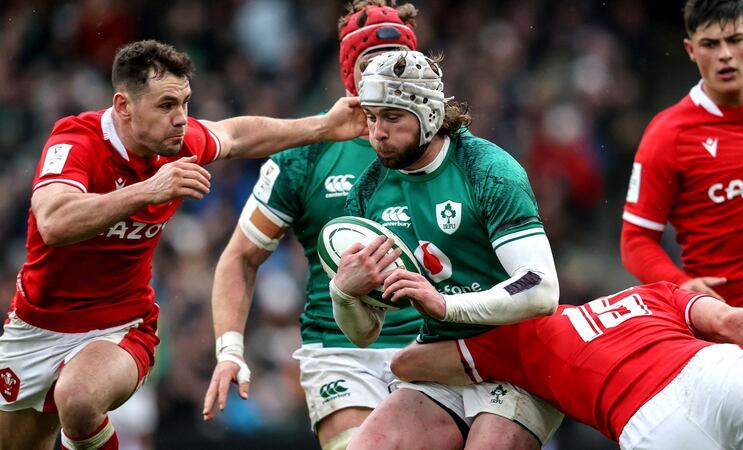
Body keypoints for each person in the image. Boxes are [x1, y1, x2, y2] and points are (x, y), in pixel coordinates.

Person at [0, 39, 366, 450]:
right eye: (166, 105)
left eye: (185, 103)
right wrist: (146, 191)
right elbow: (53, 221)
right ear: (123, 106)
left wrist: (324, 127)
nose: (181, 119)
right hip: (36, 325)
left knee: (79, 398)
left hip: (121, 327)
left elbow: (237, 135)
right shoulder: (77, 142)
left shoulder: (178, 143)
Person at [200, 2, 421, 450]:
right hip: (339, 354)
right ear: (349, 74)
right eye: (370, 63)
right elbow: (240, 258)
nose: (385, 73)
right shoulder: (304, 158)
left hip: (431, 349)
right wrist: (230, 350)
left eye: (397, 61)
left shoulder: (457, 152)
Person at [332, 49, 562, 450]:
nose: (377, 132)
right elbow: (365, 333)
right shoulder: (369, 191)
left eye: (392, 117)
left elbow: (542, 290)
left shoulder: (488, 169)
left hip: (519, 360)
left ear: (429, 116)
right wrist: (344, 293)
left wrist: (445, 306)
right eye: (371, 117)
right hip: (444, 363)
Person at [620, 0, 743, 388]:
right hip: (733, 338)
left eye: (735, 40)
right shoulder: (667, 135)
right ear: (690, 49)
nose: (724, 55)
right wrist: (680, 282)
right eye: (710, 44)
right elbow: (635, 240)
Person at [388, 281, 743, 450]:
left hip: (650, 425)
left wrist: (445, 310)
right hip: (713, 372)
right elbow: (734, 321)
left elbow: (406, 364)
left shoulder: (520, 335)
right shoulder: (652, 293)